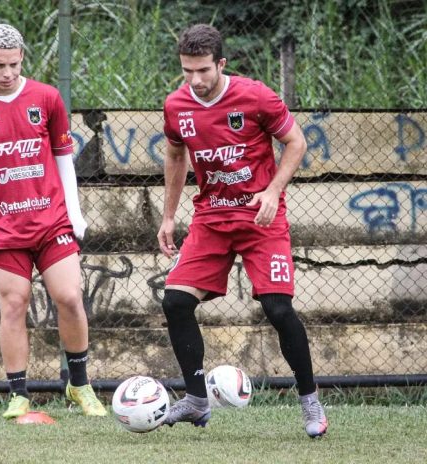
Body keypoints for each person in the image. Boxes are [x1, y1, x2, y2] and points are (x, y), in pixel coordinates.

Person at [157, 24, 328, 438]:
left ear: (221, 64)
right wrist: (168, 216)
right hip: (211, 220)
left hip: (259, 219)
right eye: (187, 71)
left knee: (278, 309)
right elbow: (176, 156)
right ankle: (196, 400)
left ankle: (310, 400)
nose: (195, 80)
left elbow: (296, 142)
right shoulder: (177, 105)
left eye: (203, 70)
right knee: (176, 302)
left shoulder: (255, 96)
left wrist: (273, 190)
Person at [0, 24, 106, 419]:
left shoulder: (46, 97)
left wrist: (74, 212)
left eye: (14, 65)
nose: (7, 73)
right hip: (4, 227)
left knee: (69, 297)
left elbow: (63, 157)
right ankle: (18, 394)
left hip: (51, 220)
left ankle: (80, 385)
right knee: (14, 303)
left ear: (22, 58)